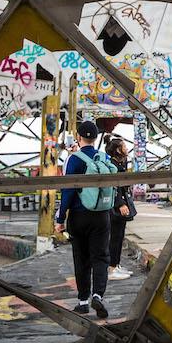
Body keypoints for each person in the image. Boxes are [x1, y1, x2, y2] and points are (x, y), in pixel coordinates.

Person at [54, 121, 111, 318]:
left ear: (78, 137)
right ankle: (98, 295)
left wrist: (60, 219)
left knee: (82, 258)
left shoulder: (73, 159)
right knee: (101, 256)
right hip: (102, 215)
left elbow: (68, 190)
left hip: (79, 216)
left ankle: (83, 301)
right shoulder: (104, 157)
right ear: (95, 138)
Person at [105, 137, 135, 281]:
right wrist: (120, 204)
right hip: (117, 204)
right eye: (124, 146)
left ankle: (115, 264)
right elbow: (113, 187)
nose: (126, 148)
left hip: (119, 202)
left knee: (119, 235)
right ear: (118, 149)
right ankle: (111, 268)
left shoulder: (119, 163)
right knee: (115, 237)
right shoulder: (113, 166)